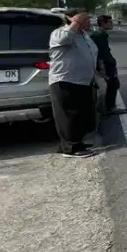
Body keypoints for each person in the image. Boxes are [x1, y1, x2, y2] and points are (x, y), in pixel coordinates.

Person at [49, 10, 99, 157]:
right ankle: (70, 148)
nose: (89, 22)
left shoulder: (83, 35)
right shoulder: (60, 33)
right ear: (74, 19)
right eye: (86, 19)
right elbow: (63, 40)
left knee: (80, 114)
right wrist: (75, 23)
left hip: (83, 81)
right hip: (66, 80)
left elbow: (91, 52)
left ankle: (76, 142)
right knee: (68, 115)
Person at [90, 15, 126, 116]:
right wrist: (102, 68)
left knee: (112, 84)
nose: (112, 24)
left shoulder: (99, 34)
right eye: (109, 22)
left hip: (107, 63)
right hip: (106, 64)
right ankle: (109, 108)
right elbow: (101, 53)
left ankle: (107, 107)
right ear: (103, 23)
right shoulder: (100, 35)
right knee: (112, 85)